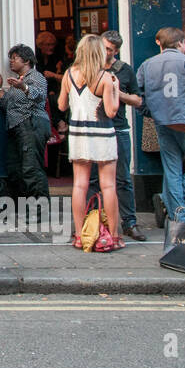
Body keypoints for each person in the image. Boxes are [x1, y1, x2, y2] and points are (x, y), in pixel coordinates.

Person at [136, 27, 185, 223]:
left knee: (172, 170)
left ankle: (174, 208)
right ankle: (171, 204)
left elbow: (138, 96)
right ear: (180, 43)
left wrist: (150, 113)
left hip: (162, 123)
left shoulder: (147, 65)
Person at [60, 34, 122, 249]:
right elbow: (111, 111)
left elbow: (61, 106)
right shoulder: (106, 77)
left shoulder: (68, 74)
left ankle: (79, 235)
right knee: (108, 185)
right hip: (102, 134)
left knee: (79, 184)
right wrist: (115, 89)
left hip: (78, 134)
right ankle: (113, 236)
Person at [92, 30, 146, 240]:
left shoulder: (124, 70)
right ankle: (94, 220)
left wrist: (116, 92)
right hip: (95, 127)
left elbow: (138, 100)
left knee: (123, 178)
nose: (105, 52)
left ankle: (129, 222)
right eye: (103, 47)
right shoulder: (90, 67)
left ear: (116, 51)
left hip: (118, 127)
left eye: (110, 50)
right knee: (94, 178)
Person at [0, 45, 50, 205]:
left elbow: (39, 95)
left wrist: (24, 87)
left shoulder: (35, 76)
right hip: (16, 127)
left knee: (31, 168)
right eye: (10, 59)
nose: (11, 62)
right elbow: (7, 105)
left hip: (31, 123)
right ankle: (24, 205)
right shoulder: (17, 82)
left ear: (26, 60)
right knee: (15, 168)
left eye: (14, 58)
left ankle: (39, 208)